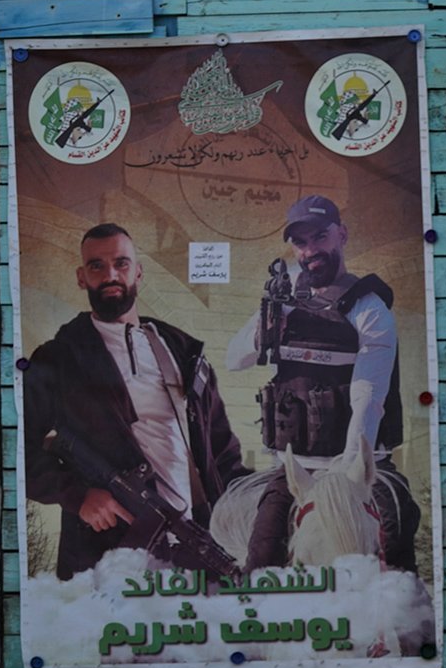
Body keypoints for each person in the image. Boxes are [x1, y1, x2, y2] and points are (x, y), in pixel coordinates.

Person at [23, 223, 249, 580]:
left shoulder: (184, 354)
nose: (110, 275)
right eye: (96, 266)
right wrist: (79, 496)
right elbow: (15, 450)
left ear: (138, 272)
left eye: (121, 264)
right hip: (106, 555)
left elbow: (223, 455)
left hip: (200, 542)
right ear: (82, 278)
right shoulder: (58, 359)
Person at [227, 194, 420, 573]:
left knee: (394, 557)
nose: (311, 250)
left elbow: (368, 394)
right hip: (296, 469)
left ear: (342, 235)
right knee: (261, 559)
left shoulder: (369, 308)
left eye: (320, 237)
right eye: (301, 242)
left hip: (363, 469)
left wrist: (348, 478)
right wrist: (264, 331)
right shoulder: (282, 299)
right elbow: (234, 360)